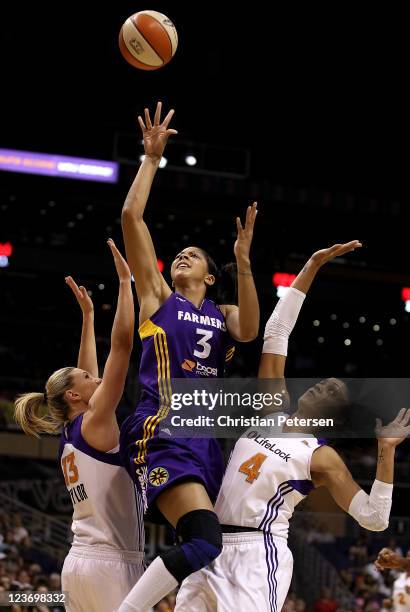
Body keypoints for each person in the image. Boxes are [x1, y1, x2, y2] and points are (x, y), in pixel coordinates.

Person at [175, 241, 410, 611]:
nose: (321, 383)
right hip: (208, 544)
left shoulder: (320, 456)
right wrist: (311, 265)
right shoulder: (271, 412)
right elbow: (277, 331)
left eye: (333, 387)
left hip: (257, 554)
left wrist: (387, 451)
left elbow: (375, 518)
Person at [117, 102, 260, 611]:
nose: (182, 256)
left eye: (193, 255)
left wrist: (243, 262)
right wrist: (151, 159)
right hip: (161, 427)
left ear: (210, 275)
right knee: (203, 540)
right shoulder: (159, 297)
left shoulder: (222, 313)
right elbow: (132, 217)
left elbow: (250, 329)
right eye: (179, 253)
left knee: (207, 548)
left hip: (203, 439)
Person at [14, 240, 144, 612]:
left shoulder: (72, 433)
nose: (96, 377)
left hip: (78, 563)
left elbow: (84, 373)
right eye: (89, 377)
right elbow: (121, 347)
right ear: (74, 395)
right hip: (113, 562)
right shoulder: (95, 420)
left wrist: (88, 318)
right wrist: (124, 282)